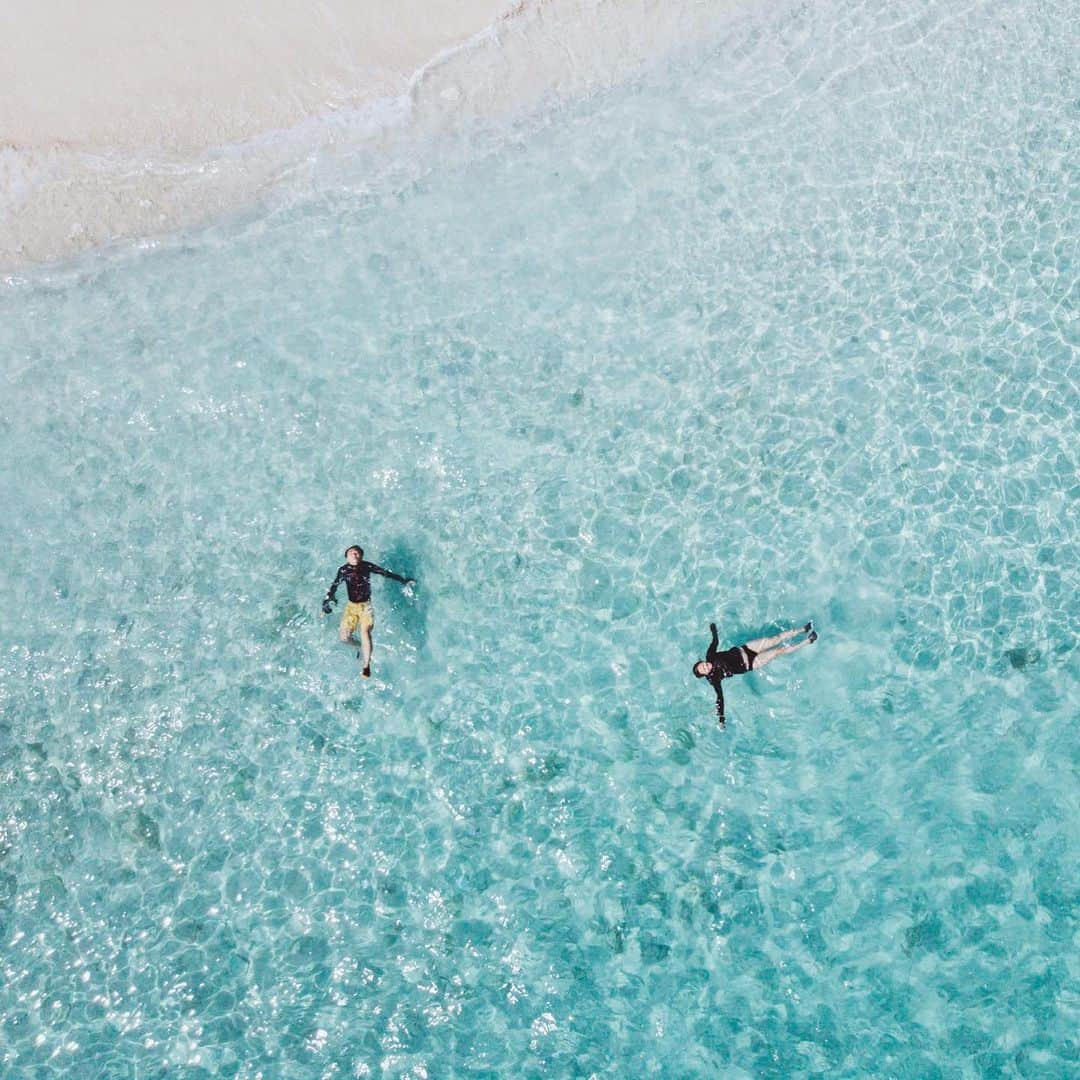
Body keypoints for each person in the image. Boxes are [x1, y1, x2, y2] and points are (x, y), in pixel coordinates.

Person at [693, 621, 817, 726]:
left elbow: (715, 641)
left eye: (702, 664)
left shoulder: (710, 655)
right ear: (705, 675)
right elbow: (719, 698)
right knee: (779, 651)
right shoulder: (714, 679)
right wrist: (721, 718)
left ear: (702, 661)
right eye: (704, 669)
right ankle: (808, 641)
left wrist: (713, 630)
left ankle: (803, 629)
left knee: (774, 639)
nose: (705, 666)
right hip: (752, 663)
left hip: (746, 648)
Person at [322, 545, 415, 678]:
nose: (355, 555)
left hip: (366, 606)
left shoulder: (367, 566)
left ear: (362, 556)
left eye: (357, 553)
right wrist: (327, 602)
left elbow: (385, 573)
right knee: (344, 638)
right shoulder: (343, 570)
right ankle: (360, 646)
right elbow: (334, 586)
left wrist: (403, 580)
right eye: (351, 553)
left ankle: (366, 665)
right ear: (346, 556)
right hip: (351, 607)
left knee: (365, 631)